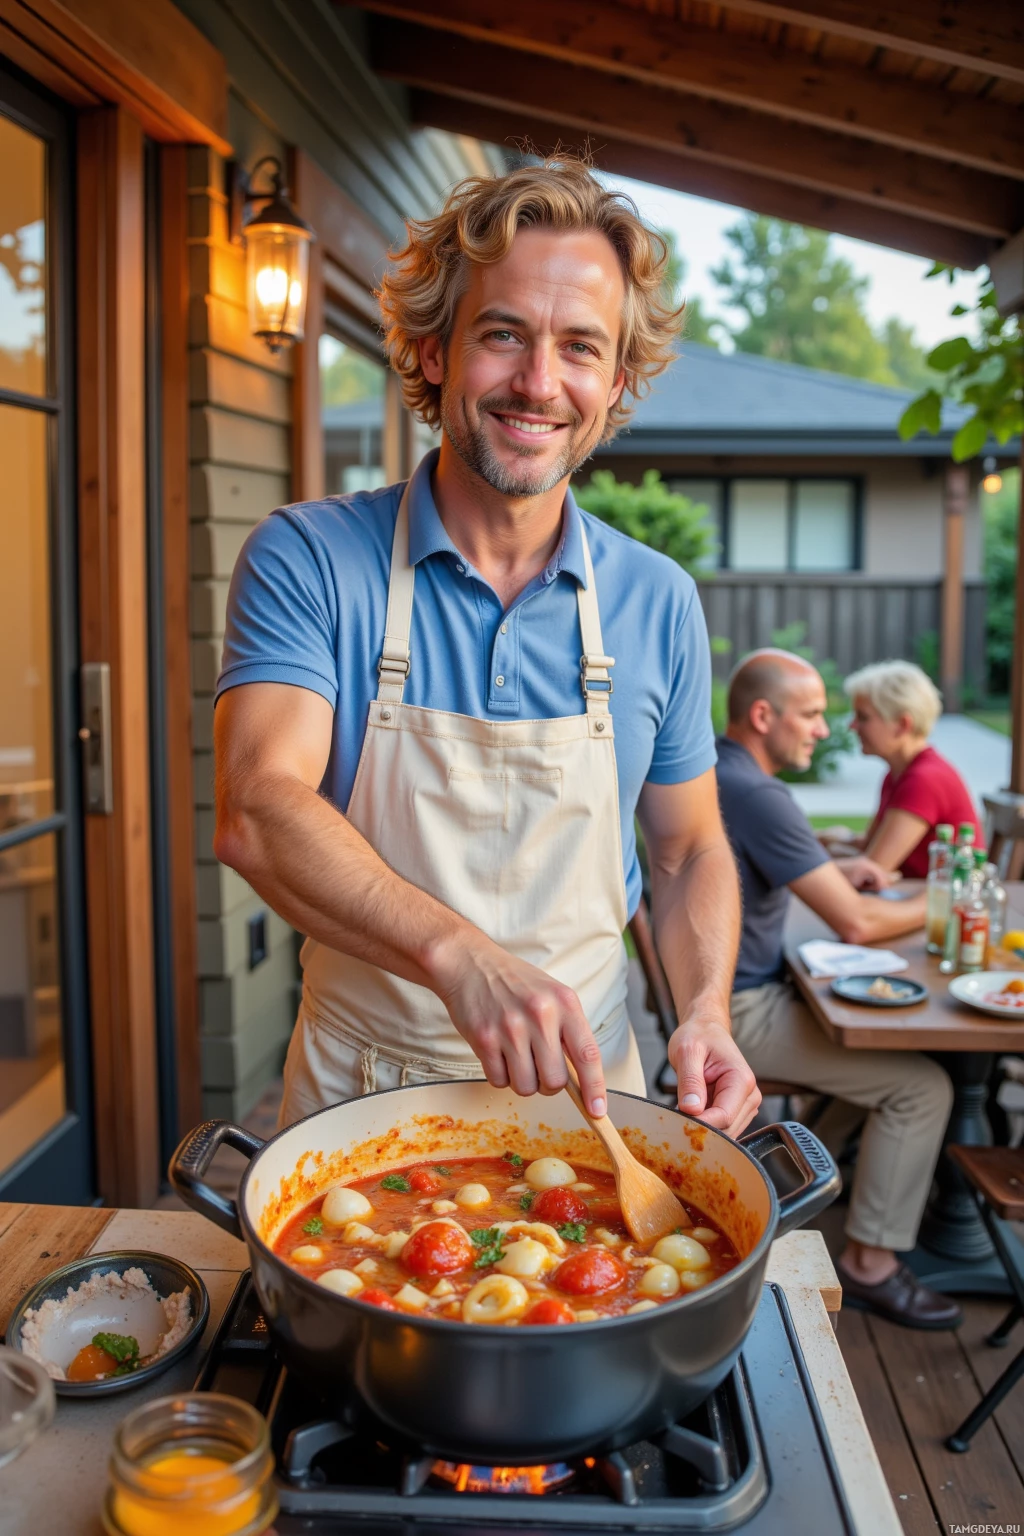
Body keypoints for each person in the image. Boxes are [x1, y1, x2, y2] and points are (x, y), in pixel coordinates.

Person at [212, 157, 760, 1137]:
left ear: (617, 380)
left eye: (580, 348)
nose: (538, 384)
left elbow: (685, 853)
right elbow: (258, 808)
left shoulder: (657, 600)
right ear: (432, 351)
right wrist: (461, 955)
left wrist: (706, 1011)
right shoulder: (307, 557)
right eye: (503, 334)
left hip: (593, 1105)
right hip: (359, 1105)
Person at [718, 649, 960, 1329]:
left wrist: (832, 865)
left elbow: (797, 872)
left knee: (890, 1070)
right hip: (743, 1011)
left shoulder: (723, 770)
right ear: (763, 716)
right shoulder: (758, 791)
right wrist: (945, 899)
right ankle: (869, 1264)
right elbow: (855, 922)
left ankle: (790, 1192)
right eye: (815, 714)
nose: (826, 730)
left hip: (733, 995)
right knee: (922, 1087)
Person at [823, 660, 980, 877]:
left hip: (935, 905)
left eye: (863, 717)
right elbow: (870, 846)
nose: (852, 726)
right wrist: (828, 842)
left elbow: (871, 870)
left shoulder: (924, 780)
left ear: (902, 724)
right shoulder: (898, 774)